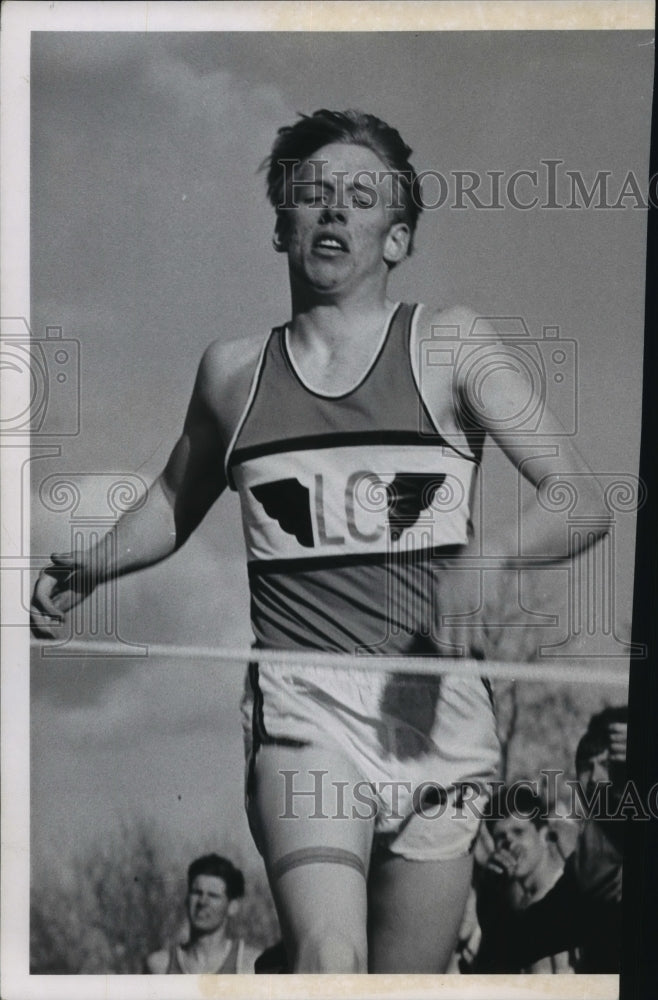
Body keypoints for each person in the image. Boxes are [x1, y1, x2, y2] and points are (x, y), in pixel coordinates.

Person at [31, 109, 611, 972]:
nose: (335, 211)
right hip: (305, 711)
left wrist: (489, 559)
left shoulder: (451, 345)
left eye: (361, 197)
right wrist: (92, 563)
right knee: (329, 962)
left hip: (435, 720)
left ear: (398, 236)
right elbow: (171, 498)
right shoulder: (232, 373)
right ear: (280, 223)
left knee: (400, 982)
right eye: (315, 195)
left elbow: (582, 498)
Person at [474, 708, 627, 973]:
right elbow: (516, 945)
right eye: (588, 766)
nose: (598, 780)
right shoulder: (589, 873)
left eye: (612, 765)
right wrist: (491, 895)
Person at [475, 786, 575, 973]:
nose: (510, 843)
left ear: (544, 834)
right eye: (501, 837)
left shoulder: (565, 899)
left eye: (519, 832)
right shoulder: (515, 902)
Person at [145, 853, 258, 974]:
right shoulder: (160, 965)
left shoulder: (249, 965)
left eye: (213, 895)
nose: (203, 902)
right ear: (187, 899)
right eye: (197, 892)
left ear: (232, 906)